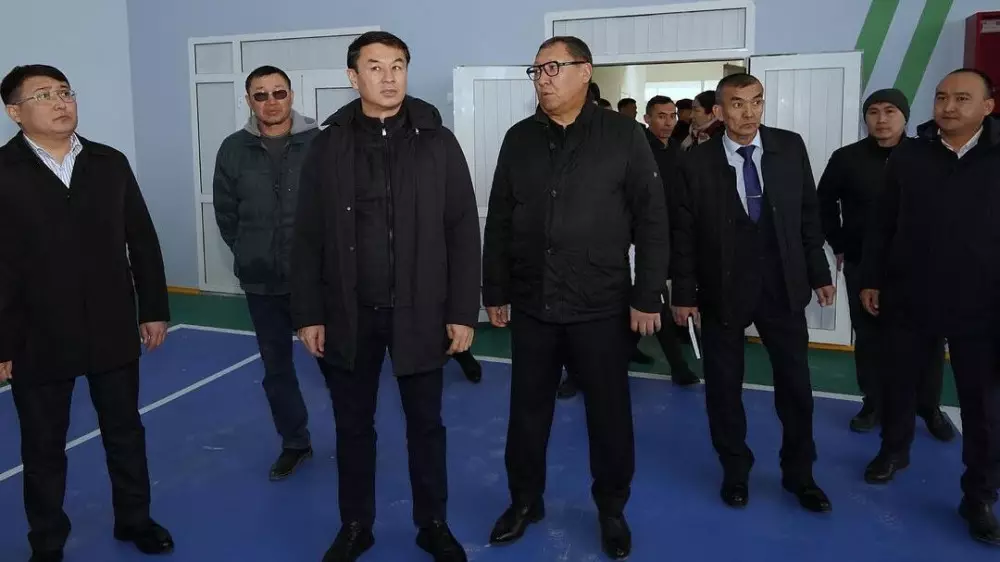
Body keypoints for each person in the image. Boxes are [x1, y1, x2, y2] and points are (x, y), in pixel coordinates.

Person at [290, 31, 481, 562]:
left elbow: (463, 230)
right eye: (375, 67)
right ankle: (357, 525)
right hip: (348, 313)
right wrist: (309, 312)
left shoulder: (437, 142)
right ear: (353, 77)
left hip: (421, 311)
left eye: (398, 65)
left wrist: (462, 311)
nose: (389, 77)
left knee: (426, 426)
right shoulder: (327, 146)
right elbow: (307, 235)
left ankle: (432, 524)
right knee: (353, 428)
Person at [482, 36, 669, 560]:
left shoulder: (623, 136)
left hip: (601, 304)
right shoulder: (519, 138)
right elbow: (500, 219)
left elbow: (653, 220)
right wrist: (494, 288)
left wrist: (647, 294)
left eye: (553, 68)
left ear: (585, 72)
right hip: (534, 302)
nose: (542, 79)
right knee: (527, 413)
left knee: (608, 416)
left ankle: (611, 508)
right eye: (537, 70)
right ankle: (525, 501)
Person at [0, 65, 174, 562]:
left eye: (65, 92)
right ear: (15, 113)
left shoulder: (109, 163)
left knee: (125, 432)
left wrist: (153, 308)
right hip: (36, 334)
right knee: (43, 447)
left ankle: (135, 519)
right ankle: (47, 541)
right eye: (43, 95)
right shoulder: (3, 172)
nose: (60, 102)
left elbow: (141, 238)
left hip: (110, 324)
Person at [671, 73, 835, 513]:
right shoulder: (696, 162)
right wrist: (683, 294)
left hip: (783, 285)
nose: (749, 113)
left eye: (756, 102)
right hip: (722, 287)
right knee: (724, 388)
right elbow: (683, 232)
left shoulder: (789, 147)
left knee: (796, 386)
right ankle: (735, 470)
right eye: (738, 104)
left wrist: (819, 273)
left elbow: (808, 214)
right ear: (719, 111)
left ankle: (800, 474)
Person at [859, 69, 1000, 546]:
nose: (948, 107)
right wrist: (872, 279)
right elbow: (883, 222)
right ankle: (894, 451)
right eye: (941, 97)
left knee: (983, 405)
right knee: (899, 382)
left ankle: (979, 495)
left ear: (987, 107)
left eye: (962, 98)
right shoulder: (911, 155)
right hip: (910, 293)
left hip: (983, 303)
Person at [817, 88, 953, 439]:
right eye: (873, 112)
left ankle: (929, 407)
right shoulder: (847, 158)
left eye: (890, 111)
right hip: (863, 262)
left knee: (928, 338)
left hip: (920, 265)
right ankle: (873, 403)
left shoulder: (929, 155)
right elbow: (823, 203)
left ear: (905, 116)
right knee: (870, 337)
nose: (881, 119)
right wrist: (840, 243)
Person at [213, 65, 320, 481]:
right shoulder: (232, 149)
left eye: (279, 92)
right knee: (277, 370)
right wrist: (248, 251)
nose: (271, 102)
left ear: (291, 95)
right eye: (261, 95)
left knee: (338, 366)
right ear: (249, 101)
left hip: (316, 283)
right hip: (262, 283)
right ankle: (295, 442)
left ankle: (355, 438)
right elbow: (227, 214)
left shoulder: (320, 143)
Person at [642, 95, 698, 386]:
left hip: (675, 235)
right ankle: (678, 366)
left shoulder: (677, 150)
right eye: (661, 116)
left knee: (654, 298)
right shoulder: (639, 151)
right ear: (647, 119)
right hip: (643, 239)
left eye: (672, 116)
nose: (668, 122)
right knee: (655, 297)